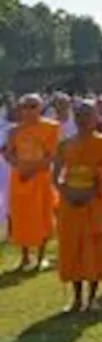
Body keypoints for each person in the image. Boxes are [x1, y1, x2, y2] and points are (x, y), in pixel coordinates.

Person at [52, 100, 102, 312]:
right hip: (70, 203)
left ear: (96, 118)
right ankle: (76, 298)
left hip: (94, 203)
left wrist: (92, 192)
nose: (83, 119)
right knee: (72, 248)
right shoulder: (65, 144)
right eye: (79, 115)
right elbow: (55, 175)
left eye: (87, 115)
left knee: (94, 247)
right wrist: (66, 192)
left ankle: (92, 298)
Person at [4, 94, 60, 271]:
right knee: (21, 216)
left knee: (42, 215)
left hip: (40, 177)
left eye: (33, 106)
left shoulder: (51, 127)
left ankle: (41, 257)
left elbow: (52, 155)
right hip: (19, 177)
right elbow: (8, 152)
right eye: (25, 107)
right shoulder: (14, 130)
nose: (29, 111)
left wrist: (32, 169)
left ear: (41, 108)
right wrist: (19, 166)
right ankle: (25, 256)